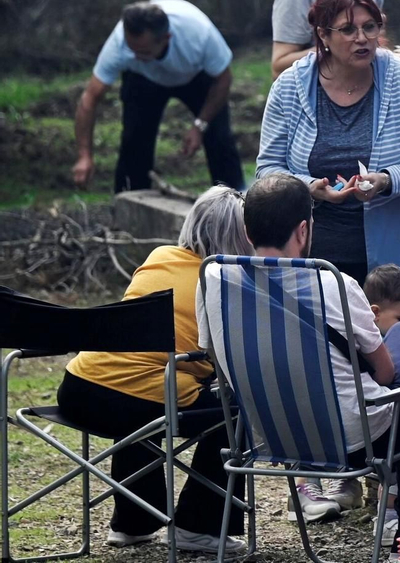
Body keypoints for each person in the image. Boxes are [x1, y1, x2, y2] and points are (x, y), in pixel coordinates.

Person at [198, 173, 400, 534]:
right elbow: (386, 375)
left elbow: (213, 355)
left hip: (268, 432)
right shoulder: (334, 284)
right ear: (303, 231)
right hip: (349, 439)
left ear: (247, 232)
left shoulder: (214, 279)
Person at [54, 186, 254, 555]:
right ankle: (200, 526)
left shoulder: (160, 256)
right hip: (132, 399)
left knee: (149, 388)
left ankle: (134, 522)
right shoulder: (225, 281)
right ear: (241, 236)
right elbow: (225, 362)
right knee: (237, 412)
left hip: (79, 387)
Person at [256, 0, 400, 281]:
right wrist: (309, 187)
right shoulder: (290, 87)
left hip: (389, 266)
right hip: (310, 260)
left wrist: (385, 180)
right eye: (347, 30)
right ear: (323, 35)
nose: (362, 38)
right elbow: (267, 169)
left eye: (370, 27)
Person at [74, 0, 243, 194]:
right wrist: (84, 155)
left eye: (143, 51)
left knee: (219, 139)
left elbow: (223, 79)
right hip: (143, 79)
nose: (135, 56)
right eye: (131, 49)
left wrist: (199, 125)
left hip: (196, 76)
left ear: (166, 38)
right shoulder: (119, 45)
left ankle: (235, 201)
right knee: (134, 142)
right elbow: (90, 98)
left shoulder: (199, 34)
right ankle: (130, 199)